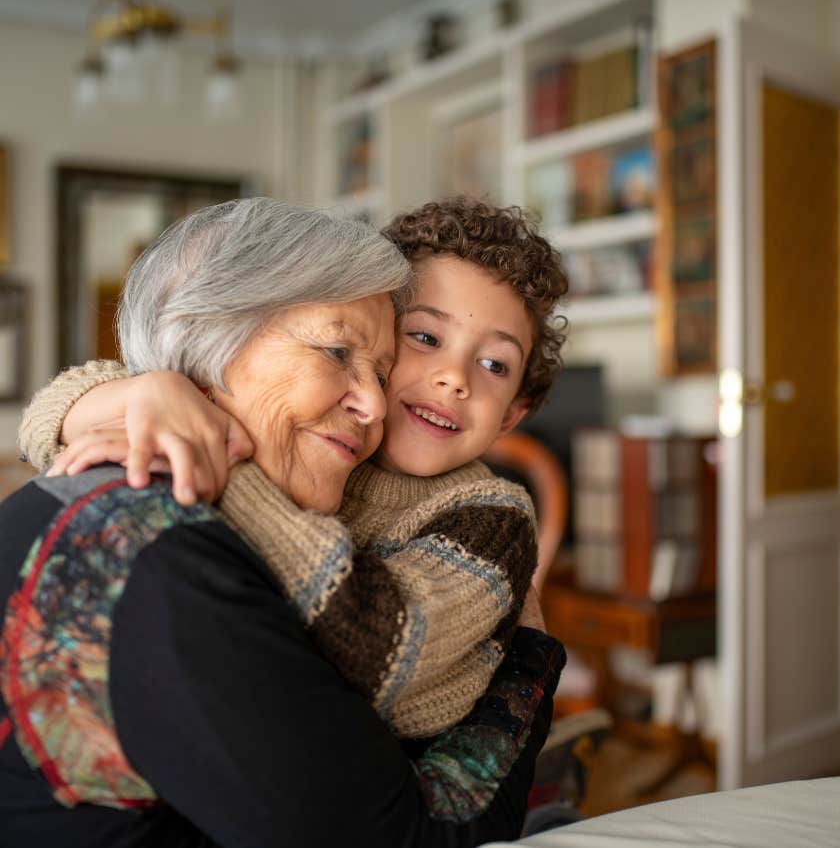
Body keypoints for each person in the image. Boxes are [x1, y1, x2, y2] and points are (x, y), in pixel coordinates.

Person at [1, 198, 565, 847]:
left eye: (493, 364)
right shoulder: (183, 538)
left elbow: (385, 649)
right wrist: (140, 397)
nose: (379, 399)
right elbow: (48, 416)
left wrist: (219, 452)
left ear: (513, 415)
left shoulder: (483, 513)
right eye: (421, 339)